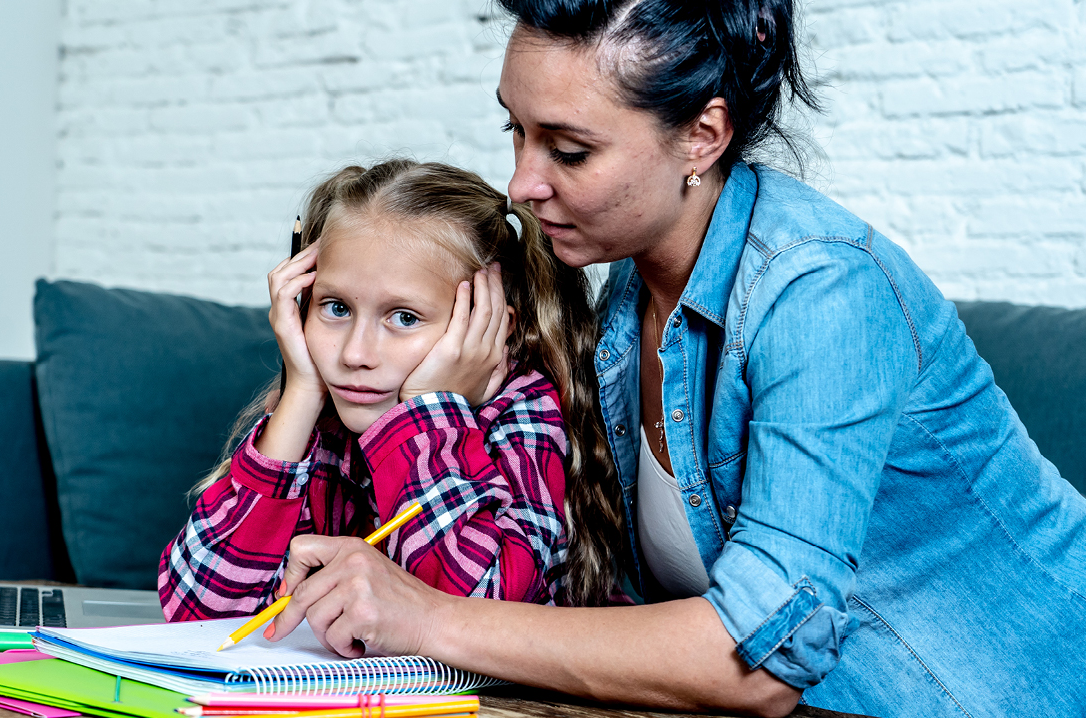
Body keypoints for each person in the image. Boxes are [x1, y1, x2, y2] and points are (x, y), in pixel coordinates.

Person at [258, 2, 1086, 717]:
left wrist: (421, 617)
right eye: (516, 130)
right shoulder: (626, 286)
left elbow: (761, 661)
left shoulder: (823, 292)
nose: (520, 183)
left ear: (702, 136)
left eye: (569, 151)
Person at [158, 159, 614, 621]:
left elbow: (478, 617)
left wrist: (425, 414)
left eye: (404, 317)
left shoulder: (523, 415)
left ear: (488, 328)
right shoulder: (324, 417)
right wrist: (300, 392)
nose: (355, 353)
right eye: (335, 308)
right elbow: (196, 608)